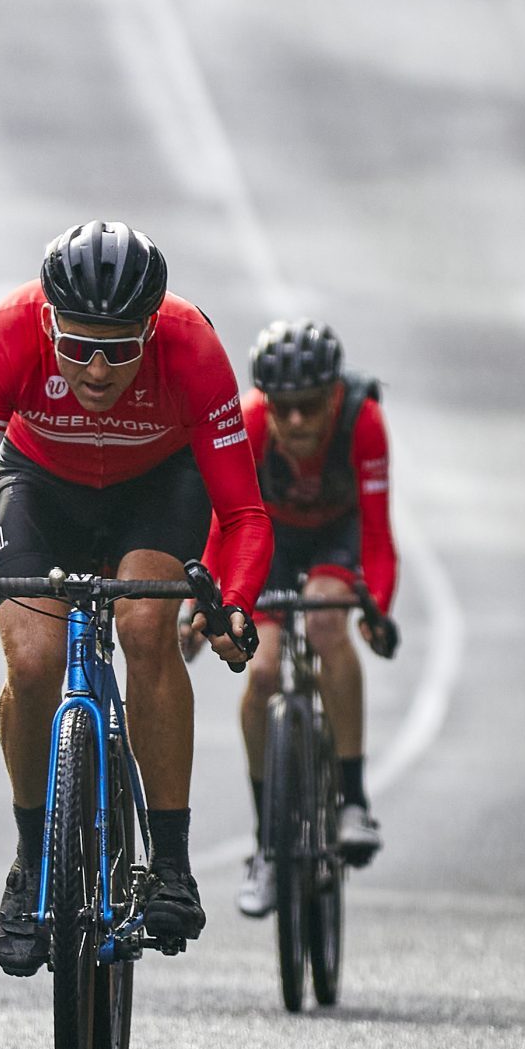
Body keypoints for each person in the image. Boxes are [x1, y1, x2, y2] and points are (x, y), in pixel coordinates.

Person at [0, 220, 270, 976]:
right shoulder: (5, 334)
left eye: (120, 350)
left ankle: (171, 864)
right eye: (76, 346)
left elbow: (244, 515)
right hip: (42, 487)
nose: (97, 371)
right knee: (32, 661)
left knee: (145, 629)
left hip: (154, 490)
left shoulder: (192, 346)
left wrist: (233, 606)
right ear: (47, 324)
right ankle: (32, 861)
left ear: (151, 331)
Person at [185, 319, 396, 919]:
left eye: (310, 405)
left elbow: (378, 534)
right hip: (269, 539)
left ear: (334, 395)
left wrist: (376, 609)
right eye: (284, 407)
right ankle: (267, 845)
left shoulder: (363, 421)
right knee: (262, 671)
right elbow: (223, 525)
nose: (297, 421)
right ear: (267, 403)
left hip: (336, 537)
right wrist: (201, 603)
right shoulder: (251, 423)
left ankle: (352, 800)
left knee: (327, 624)